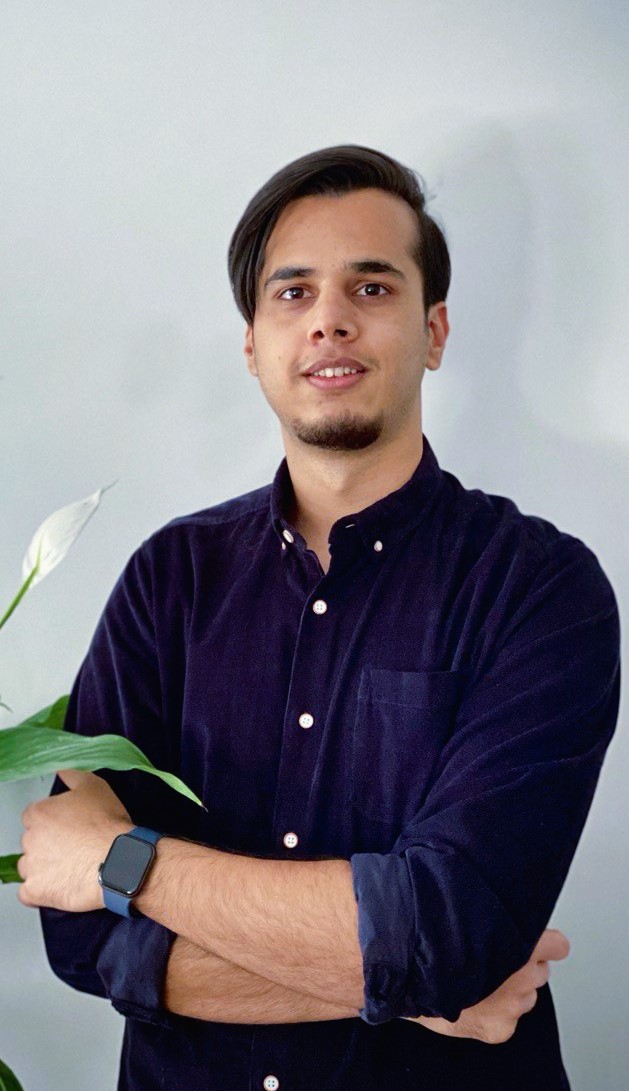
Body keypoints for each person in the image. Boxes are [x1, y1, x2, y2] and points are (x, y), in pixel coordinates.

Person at [18, 145, 620, 1090]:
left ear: (434, 329)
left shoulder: (541, 588)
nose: (330, 319)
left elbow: (450, 928)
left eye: (371, 287)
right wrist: (410, 982)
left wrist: (121, 860)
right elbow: (76, 930)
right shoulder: (167, 578)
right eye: (291, 294)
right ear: (253, 344)